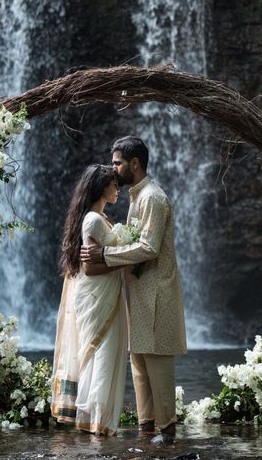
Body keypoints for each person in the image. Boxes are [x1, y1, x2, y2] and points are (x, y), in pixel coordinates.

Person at [80, 136, 187, 445]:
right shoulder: (136, 196)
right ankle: (147, 433)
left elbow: (150, 247)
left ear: (135, 163)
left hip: (157, 294)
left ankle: (167, 437)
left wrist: (106, 256)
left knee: (158, 367)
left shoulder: (152, 197)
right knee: (140, 368)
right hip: (139, 295)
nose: (113, 169)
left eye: (117, 163)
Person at [51, 164, 128, 436]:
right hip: (96, 294)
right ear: (102, 187)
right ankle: (95, 419)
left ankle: (95, 418)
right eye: (115, 185)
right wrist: (125, 261)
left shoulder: (99, 218)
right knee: (101, 353)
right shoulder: (94, 220)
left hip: (99, 293)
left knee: (100, 354)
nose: (119, 189)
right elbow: (92, 267)